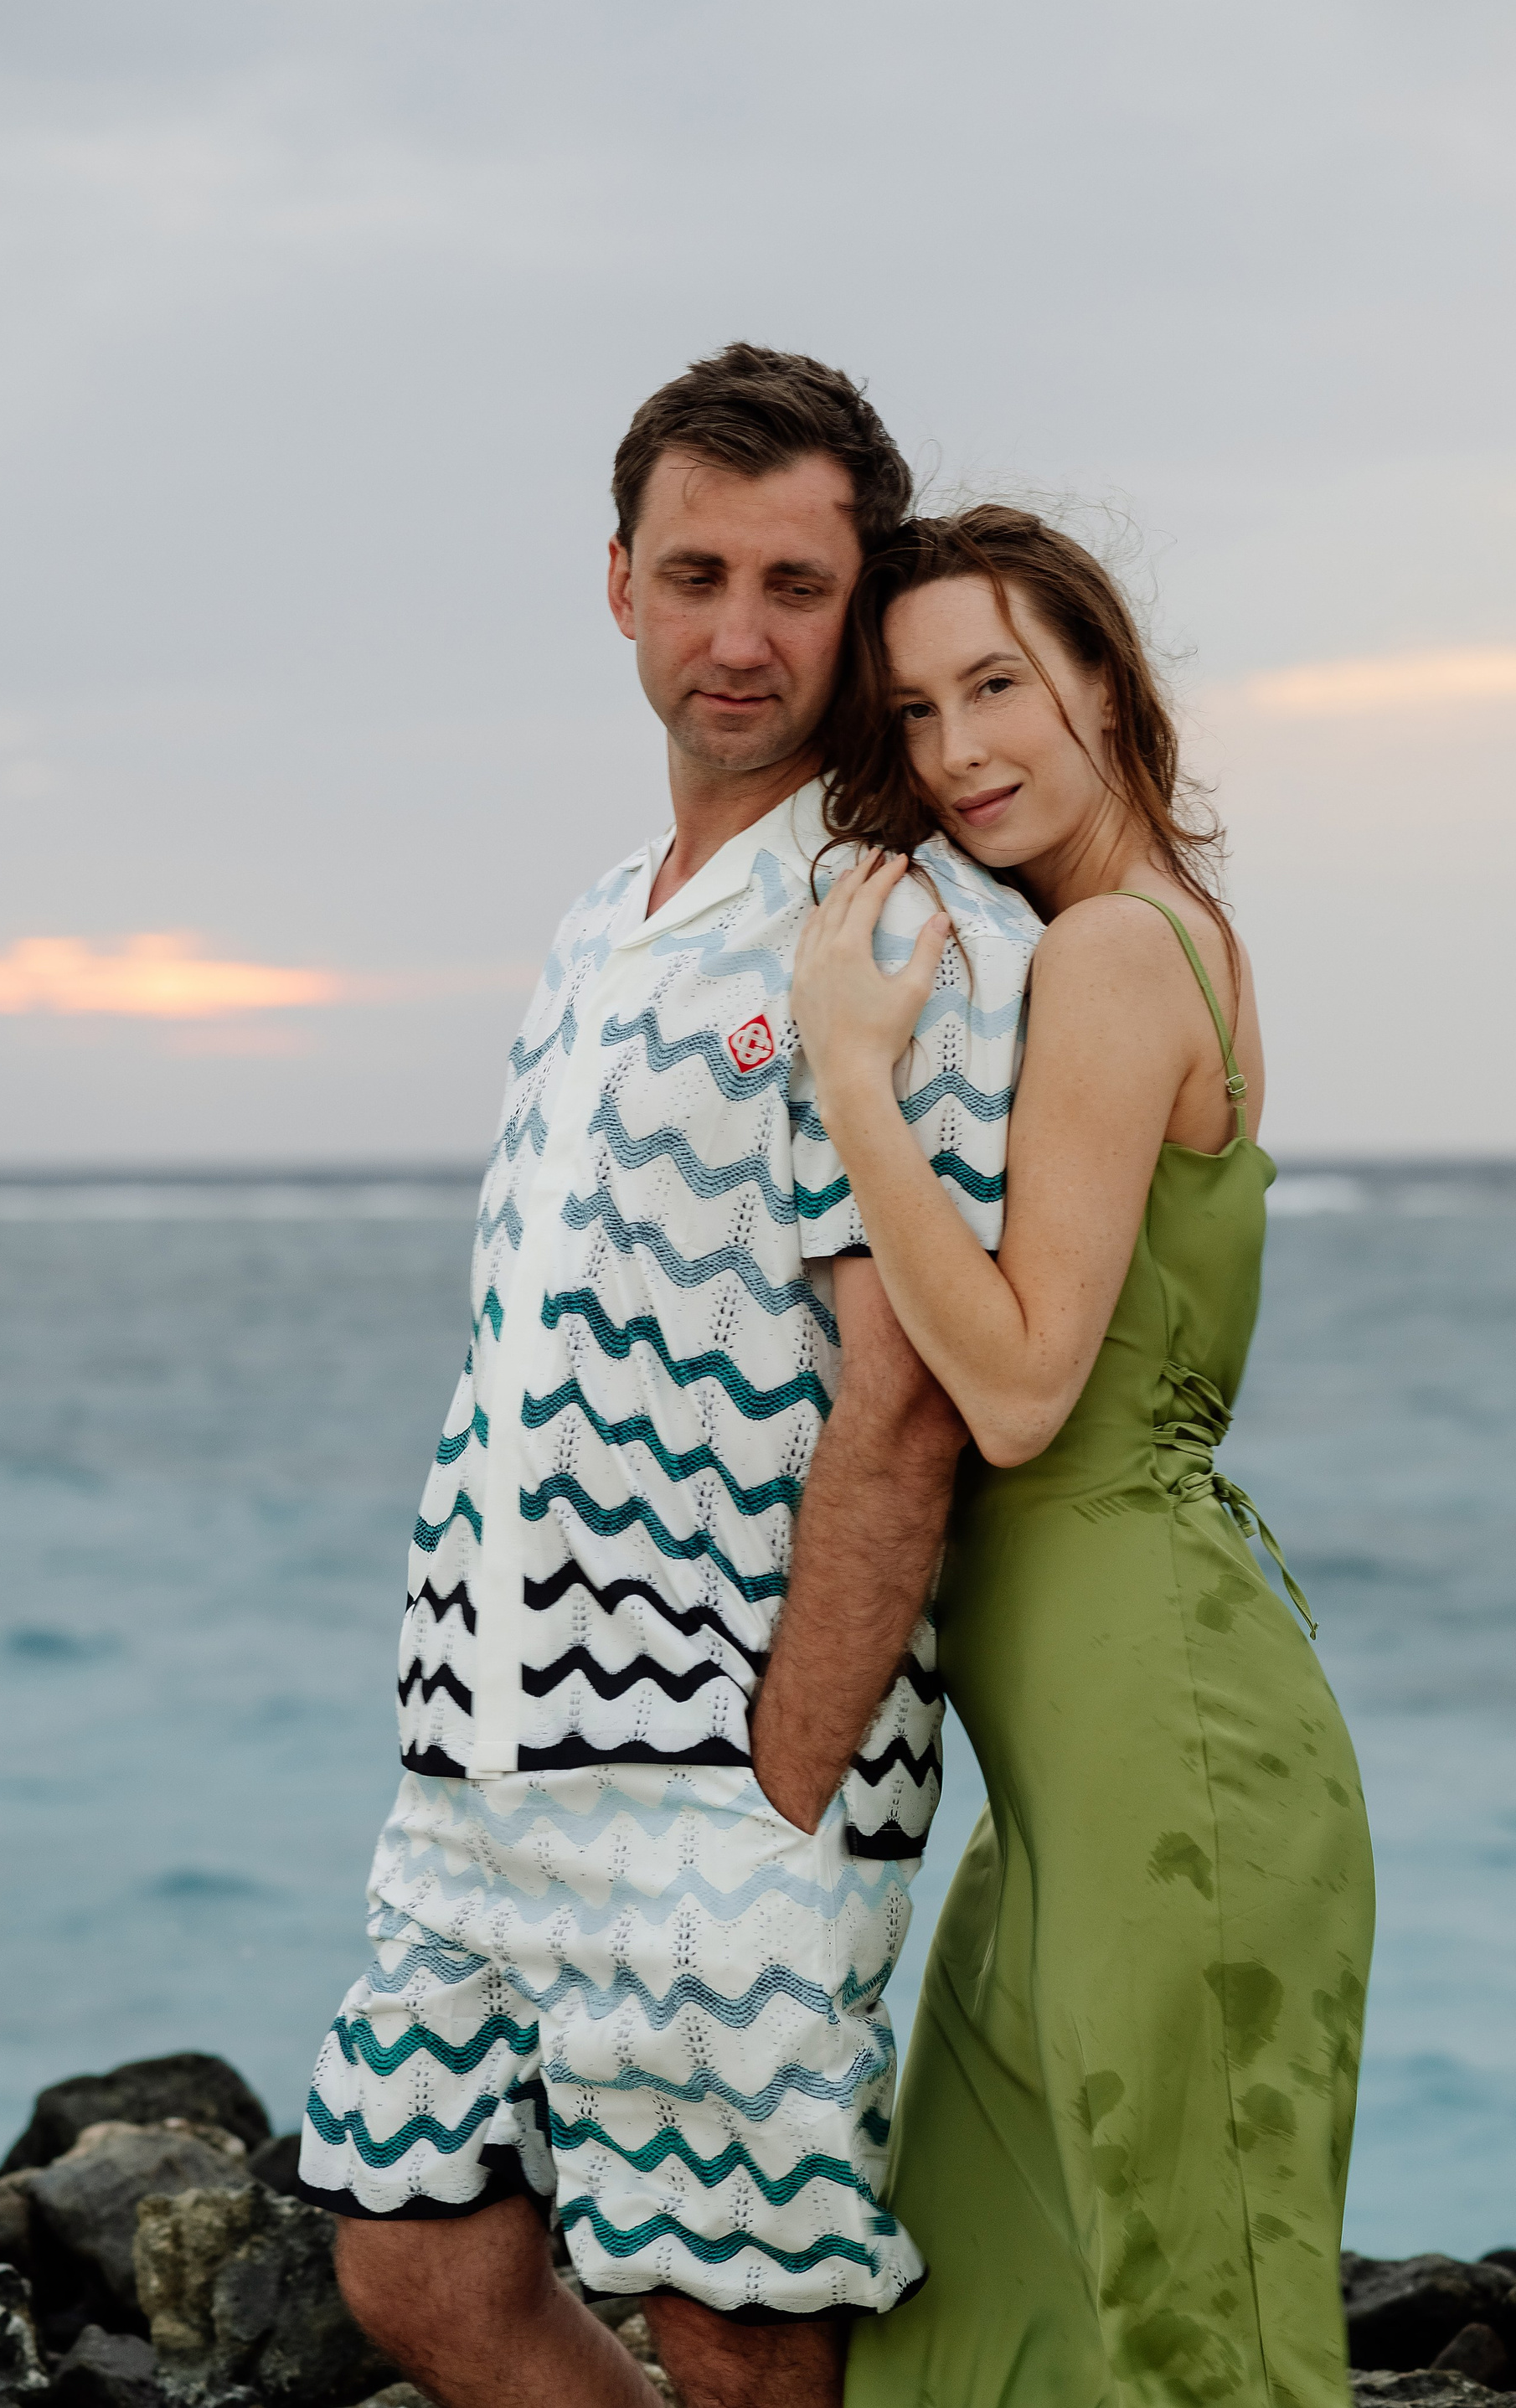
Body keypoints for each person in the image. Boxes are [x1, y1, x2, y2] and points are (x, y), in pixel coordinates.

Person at [296, 353, 1041, 2408]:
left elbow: (908, 1398)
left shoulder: (897, 927)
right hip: (483, 1765)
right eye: (698, 574)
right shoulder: (591, 930)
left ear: (859, 606)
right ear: (618, 580)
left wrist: (784, 1791)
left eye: (797, 586)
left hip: (730, 1776)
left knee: (741, 2334)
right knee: (413, 2259)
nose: (739, 635)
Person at [786, 504, 1376, 2408]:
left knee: (1201, 2345)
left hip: (1170, 1752)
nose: (959, 751)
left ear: (1105, 684)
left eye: (999, 685)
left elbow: (1027, 1392)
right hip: (1072, 1779)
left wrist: (851, 1077)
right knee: (963, 2330)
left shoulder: (1118, 951)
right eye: (916, 710)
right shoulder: (1138, 938)